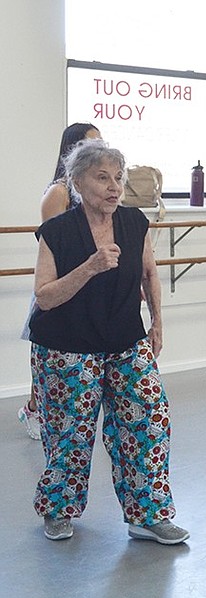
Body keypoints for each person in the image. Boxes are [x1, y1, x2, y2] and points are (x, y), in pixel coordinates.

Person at [29, 138, 189, 544]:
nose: (114, 186)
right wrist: (90, 267)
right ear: (78, 182)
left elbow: (149, 274)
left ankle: (147, 514)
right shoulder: (57, 232)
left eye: (117, 177)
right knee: (71, 431)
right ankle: (58, 510)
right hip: (66, 345)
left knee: (149, 417)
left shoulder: (135, 223)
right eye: (103, 178)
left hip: (125, 338)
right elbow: (45, 296)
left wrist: (157, 324)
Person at [18, 123, 101, 440]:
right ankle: (34, 409)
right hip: (60, 282)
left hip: (90, 284)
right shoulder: (59, 192)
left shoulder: (93, 192)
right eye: (89, 143)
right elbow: (55, 244)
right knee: (48, 351)